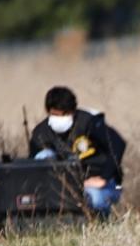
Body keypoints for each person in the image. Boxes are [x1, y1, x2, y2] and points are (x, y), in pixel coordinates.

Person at [29, 86, 127, 217]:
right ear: (48, 111)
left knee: (95, 198)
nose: (60, 119)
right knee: (43, 156)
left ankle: (99, 221)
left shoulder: (90, 123)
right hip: (59, 187)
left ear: (73, 111)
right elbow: (32, 165)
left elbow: (117, 144)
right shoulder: (41, 132)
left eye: (65, 114)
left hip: (101, 183)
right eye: (56, 114)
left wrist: (103, 178)